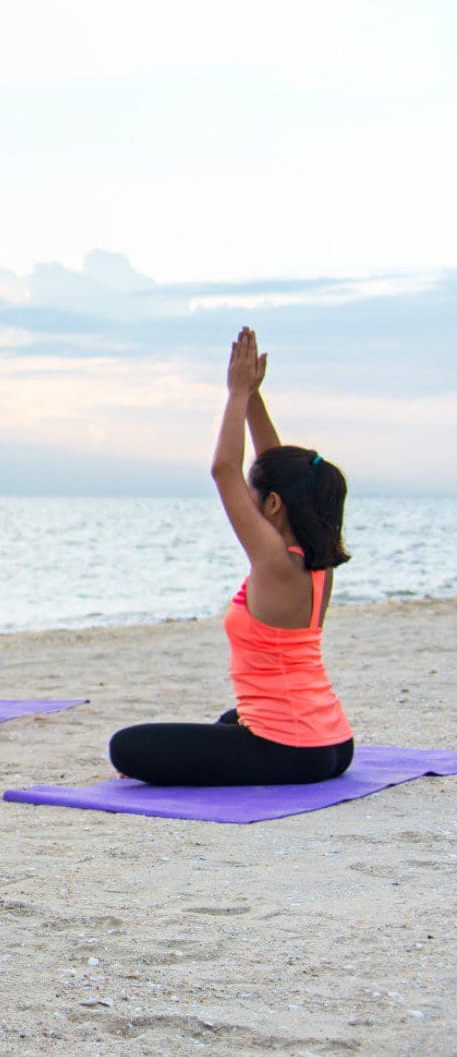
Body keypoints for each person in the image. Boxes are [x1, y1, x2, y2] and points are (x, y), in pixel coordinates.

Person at [108, 327, 354, 786]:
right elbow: (276, 465)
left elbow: (224, 470)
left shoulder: (276, 561)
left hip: (292, 751)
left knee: (127, 746)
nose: (249, 496)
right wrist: (255, 398)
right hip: (332, 742)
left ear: (274, 505)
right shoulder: (316, 561)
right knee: (231, 717)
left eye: (256, 494)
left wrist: (236, 392)